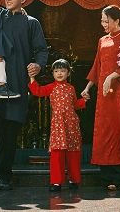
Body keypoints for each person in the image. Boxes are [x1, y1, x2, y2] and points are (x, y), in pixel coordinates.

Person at [0, 0, 48, 191]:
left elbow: (41, 50)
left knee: (9, 134)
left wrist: (38, 65)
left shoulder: (31, 23)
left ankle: (4, 176)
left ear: (23, 0)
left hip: (16, 85)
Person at [81, 5, 120, 190]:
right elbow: (97, 66)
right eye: (102, 21)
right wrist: (87, 88)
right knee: (106, 131)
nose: (103, 24)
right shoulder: (102, 41)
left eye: (106, 21)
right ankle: (111, 177)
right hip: (104, 94)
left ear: (117, 21)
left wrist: (110, 77)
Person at [28, 58, 87, 192]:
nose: (59, 73)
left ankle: (73, 180)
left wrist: (84, 100)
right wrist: (32, 78)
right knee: (57, 153)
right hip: (58, 124)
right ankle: (56, 182)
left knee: (73, 152)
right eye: (56, 71)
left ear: (68, 73)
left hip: (72, 123)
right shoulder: (51, 87)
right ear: (53, 74)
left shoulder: (71, 88)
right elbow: (38, 91)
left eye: (62, 71)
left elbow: (74, 105)